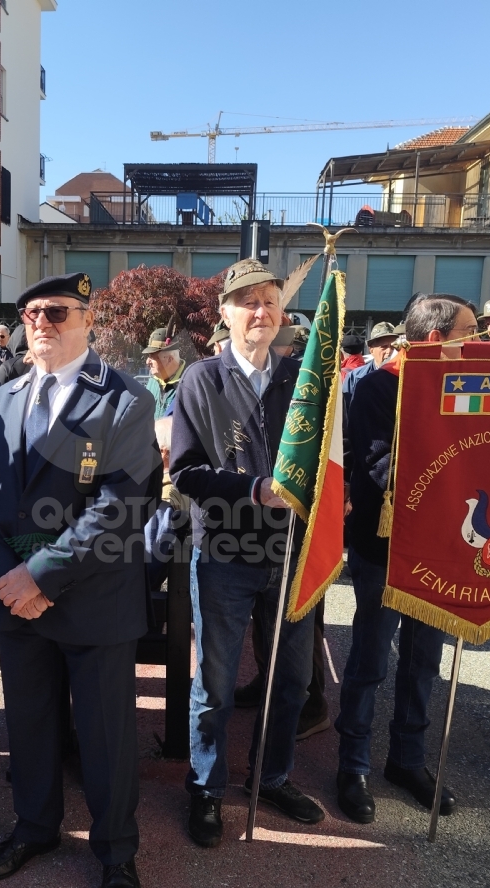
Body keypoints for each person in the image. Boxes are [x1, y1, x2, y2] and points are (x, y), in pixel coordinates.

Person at [0, 272, 157, 888]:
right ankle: (34, 828)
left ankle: (115, 854)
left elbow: (122, 506)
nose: (42, 322)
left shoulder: (126, 399)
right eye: (30, 313)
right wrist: (4, 574)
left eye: (57, 311)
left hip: (93, 598)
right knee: (29, 724)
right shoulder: (1, 399)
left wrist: (39, 575)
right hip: (17, 601)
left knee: (105, 736)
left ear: (86, 320)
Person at [170, 258, 324, 850]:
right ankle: (206, 789)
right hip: (227, 553)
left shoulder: (304, 379)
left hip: (292, 554)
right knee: (213, 680)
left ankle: (272, 775)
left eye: (269, 300)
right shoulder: (200, 380)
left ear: (282, 312)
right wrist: (253, 489)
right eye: (247, 301)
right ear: (225, 314)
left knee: (289, 680)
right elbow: (185, 473)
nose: (260, 311)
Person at [335, 294, 479, 825]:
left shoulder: (465, 386)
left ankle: (408, 760)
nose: (480, 341)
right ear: (439, 339)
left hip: (444, 550)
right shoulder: (379, 385)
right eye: (471, 332)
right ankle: (352, 766)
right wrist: (453, 482)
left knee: (424, 662)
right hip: (386, 549)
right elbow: (376, 464)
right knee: (371, 660)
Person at [142, 325, 188, 418]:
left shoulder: (189, 384)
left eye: (153, 356)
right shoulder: (152, 382)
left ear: (169, 359)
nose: (147, 362)